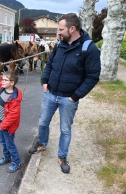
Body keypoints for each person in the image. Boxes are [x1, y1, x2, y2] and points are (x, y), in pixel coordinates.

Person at [28, 13, 101, 174]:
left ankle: (62, 156)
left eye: (61, 29)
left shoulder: (89, 49)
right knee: (42, 123)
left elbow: (93, 76)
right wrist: (45, 81)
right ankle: (42, 143)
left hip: (69, 98)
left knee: (65, 130)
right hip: (50, 94)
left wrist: (76, 96)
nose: (58, 32)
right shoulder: (60, 45)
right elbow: (50, 64)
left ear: (72, 28)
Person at [0, 60, 23, 173]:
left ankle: (17, 162)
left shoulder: (14, 98)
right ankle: (7, 157)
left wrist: (3, 126)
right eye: (2, 79)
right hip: (2, 123)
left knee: (10, 144)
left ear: (12, 83)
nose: (2, 81)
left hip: (7, 126)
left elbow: (13, 115)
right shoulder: (3, 88)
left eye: (5, 80)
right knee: (3, 142)